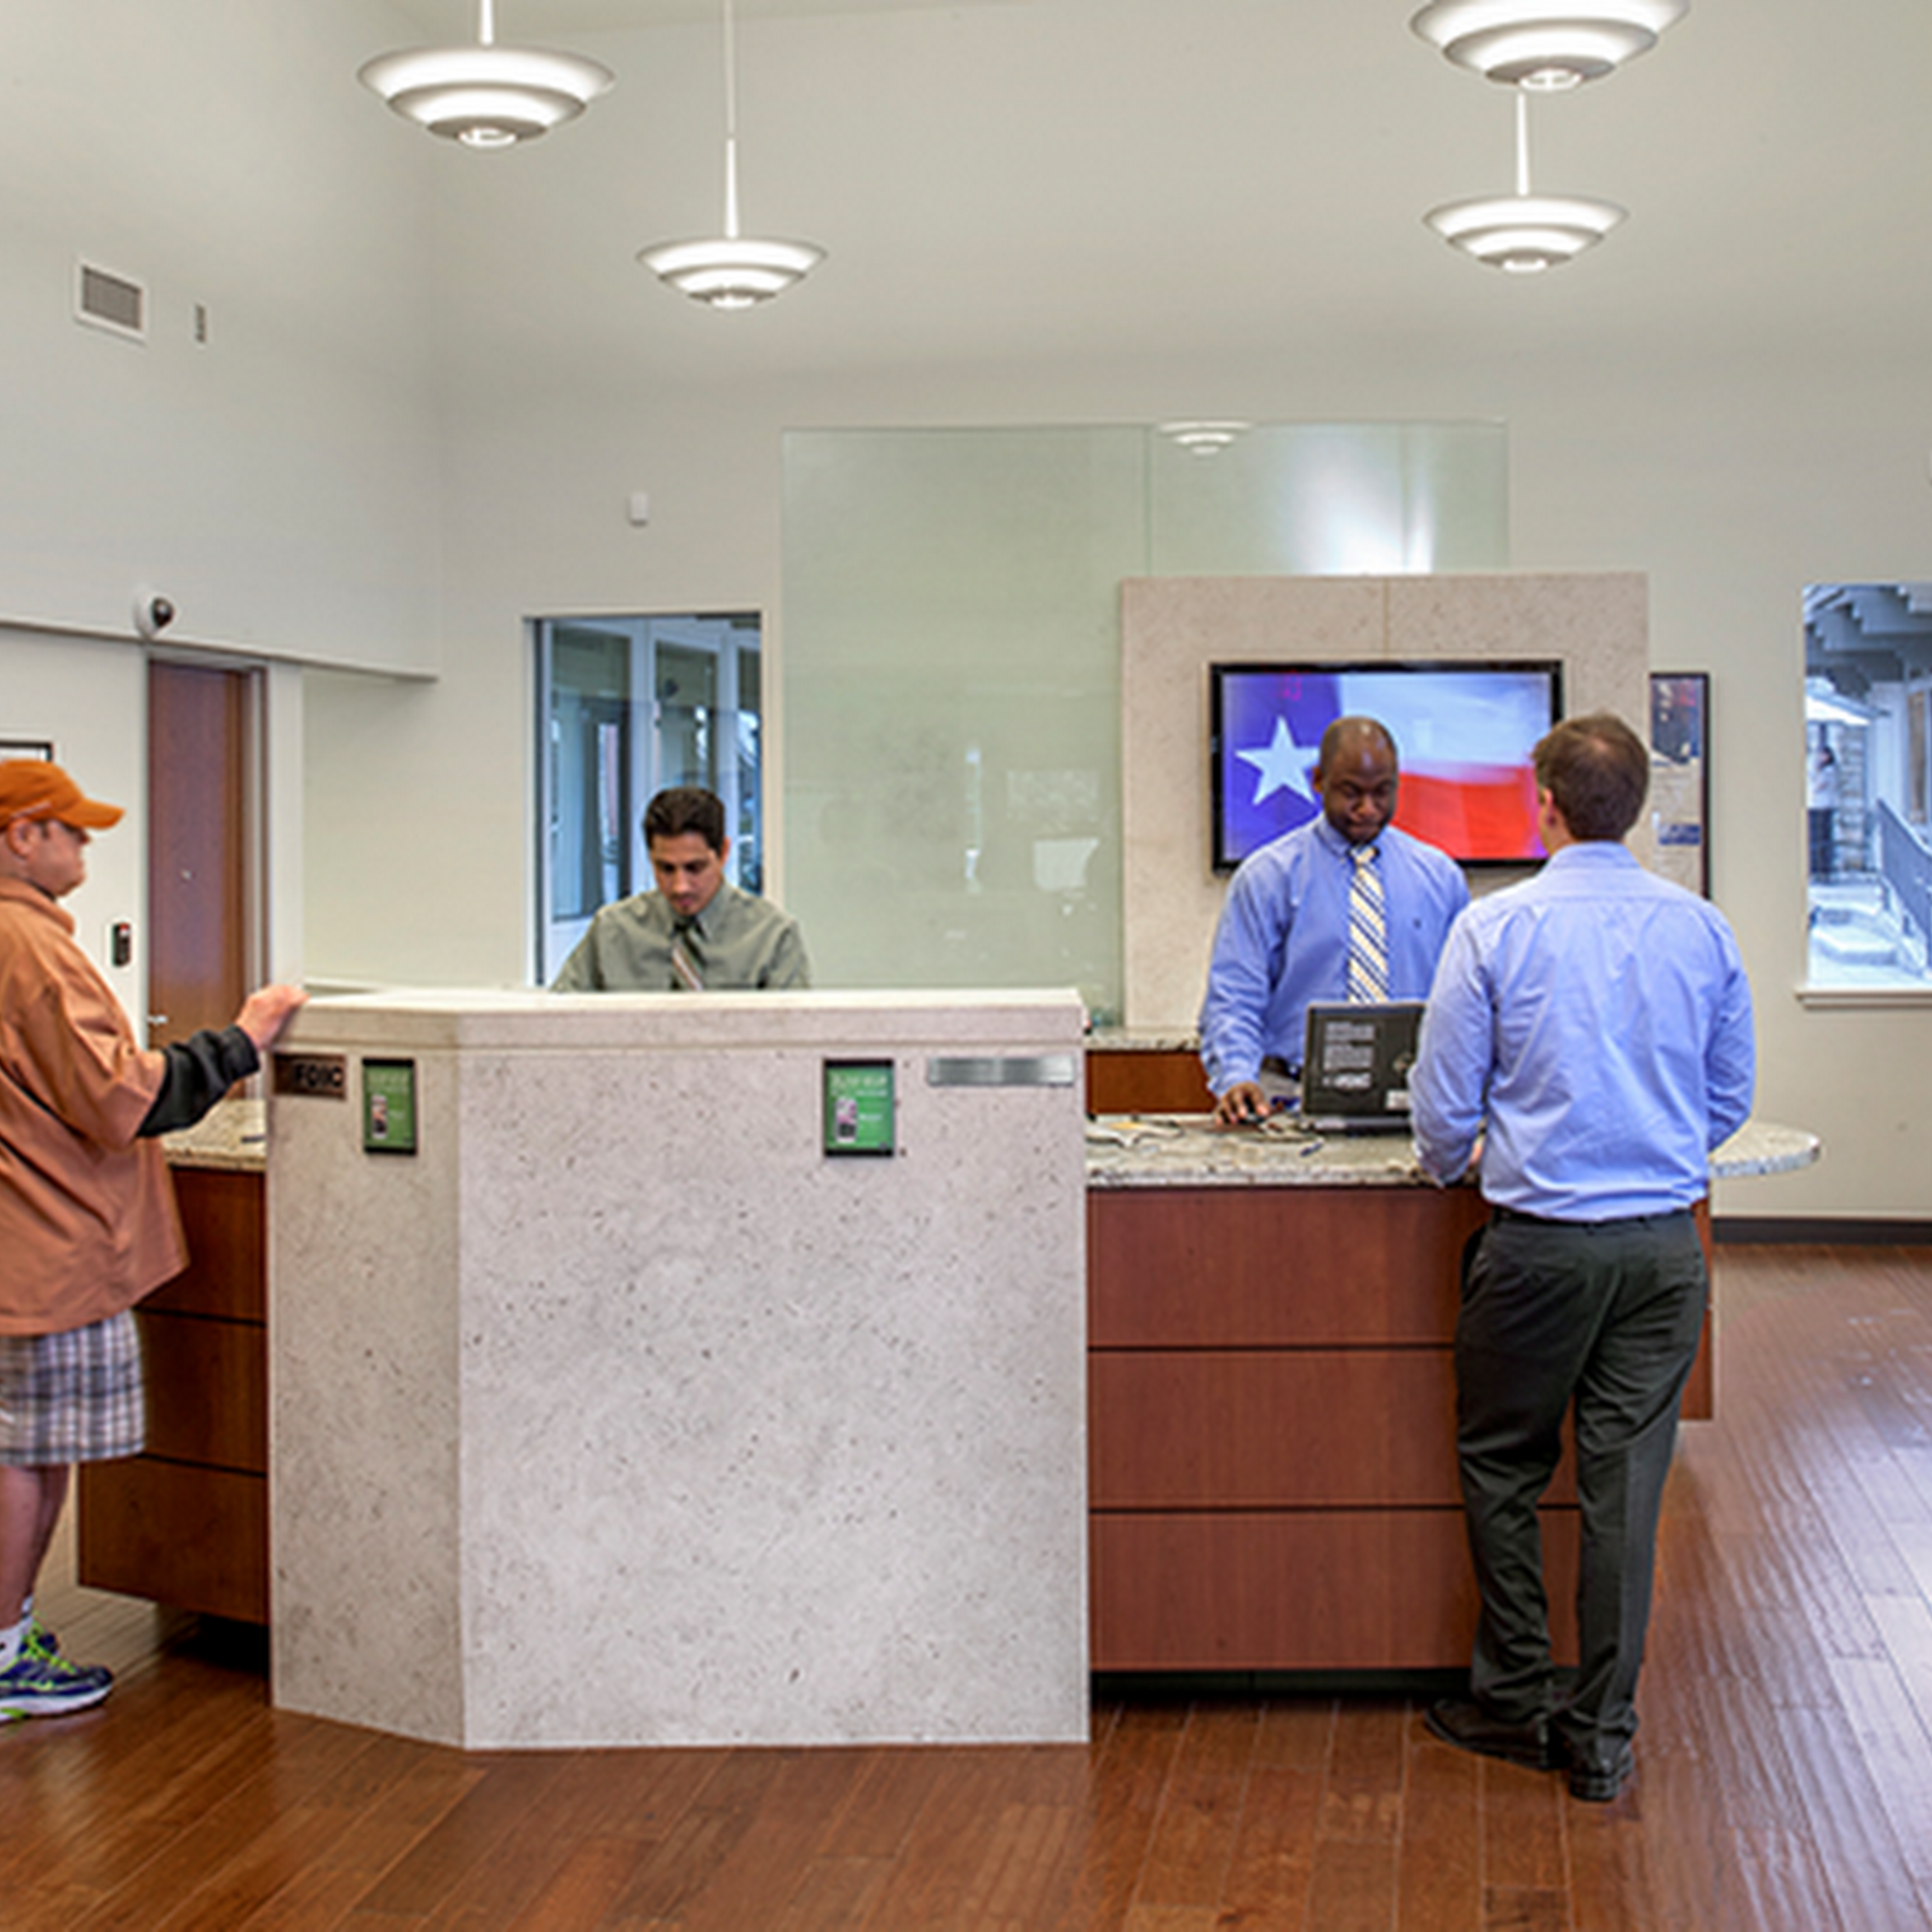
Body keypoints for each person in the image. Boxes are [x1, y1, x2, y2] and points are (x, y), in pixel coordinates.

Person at [1408, 712, 1755, 1804]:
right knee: (1625, 1490)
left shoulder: (1492, 927)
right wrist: (1652, 1151)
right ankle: (1601, 1736)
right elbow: (1728, 1097)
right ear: (1636, 808)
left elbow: (1441, 1109)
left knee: (1502, 1462)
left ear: (1544, 804)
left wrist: (1455, 1160)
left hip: (1537, 1252)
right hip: (1661, 1252)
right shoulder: (1701, 928)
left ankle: (1514, 1697)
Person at [0, 759, 306, 1720]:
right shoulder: (27, 946)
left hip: (21, 1235)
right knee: (26, 1451)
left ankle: (10, 1630)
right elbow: (122, 1096)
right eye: (72, 831)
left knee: (28, 1444)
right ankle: (2, 1651)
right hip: (47, 1240)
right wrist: (242, 1038)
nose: (86, 848)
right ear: (22, 836)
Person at [1198, 715, 1469, 1125]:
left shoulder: (1440, 878)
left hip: (1413, 1101)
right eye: (1351, 793)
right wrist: (1236, 1078)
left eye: (1382, 792)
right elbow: (1234, 996)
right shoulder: (1268, 877)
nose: (1367, 809)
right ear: (1319, 781)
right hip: (1290, 1099)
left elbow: (1464, 1000)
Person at [552, 785, 810, 992]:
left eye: (694, 868)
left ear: (723, 853)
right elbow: (556, 1024)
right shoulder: (611, 932)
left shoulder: (773, 936)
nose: (680, 887)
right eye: (665, 868)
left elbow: (795, 1035)